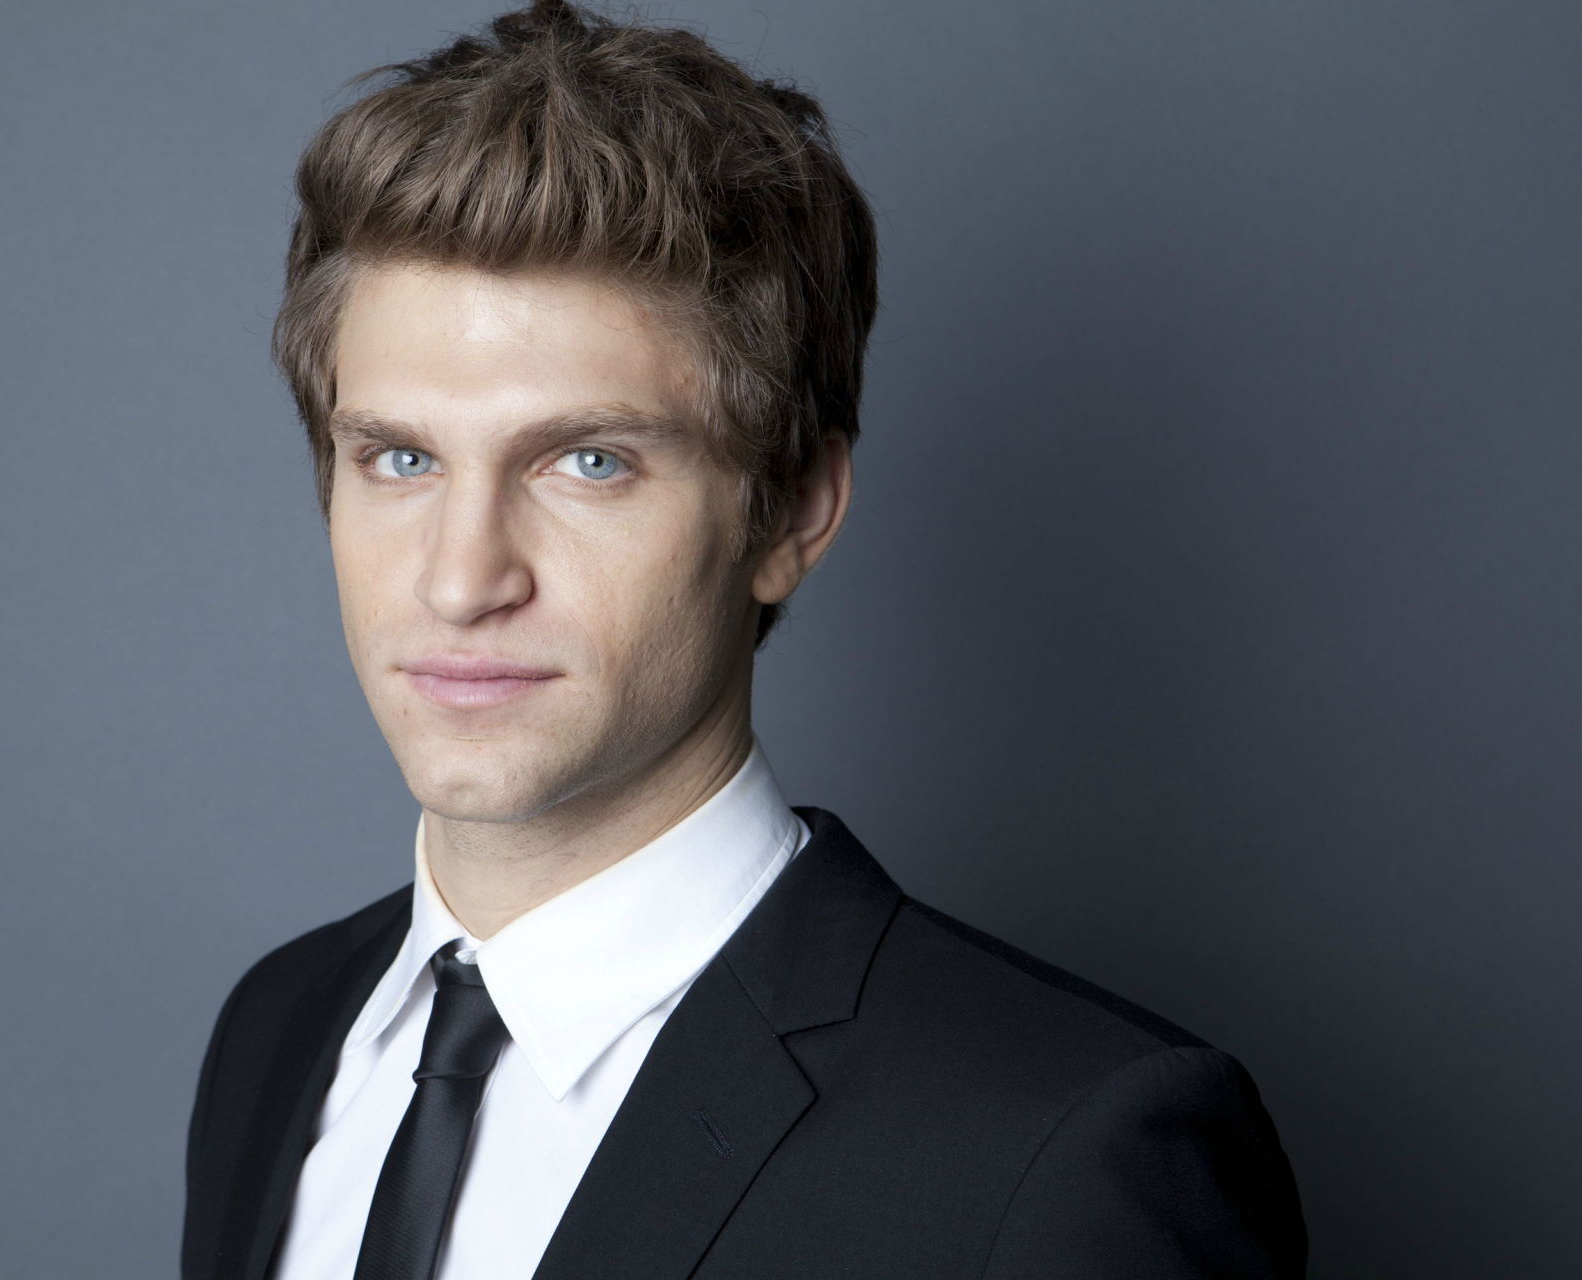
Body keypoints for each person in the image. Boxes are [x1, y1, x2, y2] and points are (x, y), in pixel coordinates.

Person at [181, 2, 1306, 1277]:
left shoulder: (1065, 1146)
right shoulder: (279, 1030)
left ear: (791, 512)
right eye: (399, 458)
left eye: (589, 461)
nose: (460, 578)